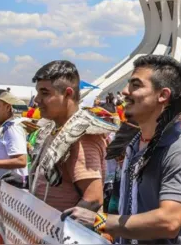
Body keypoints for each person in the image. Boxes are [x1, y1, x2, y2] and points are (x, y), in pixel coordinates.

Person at [63, 55, 181, 244]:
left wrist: (99, 220)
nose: (124, 92)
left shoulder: (179, 151)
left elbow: (169, 221)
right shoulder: (135, 143)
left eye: (135, 85)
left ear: (163, 95)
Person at [29, 60, 116, 212]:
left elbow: (93, 199)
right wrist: (25, 181)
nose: (37, 100)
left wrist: (58, 227)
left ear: (67, 94)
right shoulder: (54, 128)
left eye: (45, 93)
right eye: (38, 92)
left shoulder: (80, 137)